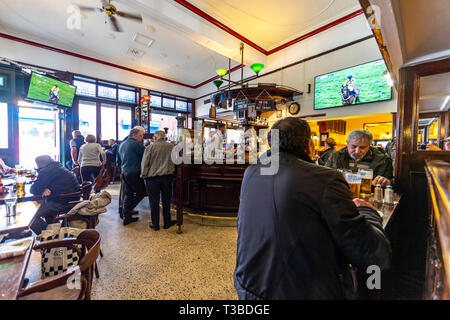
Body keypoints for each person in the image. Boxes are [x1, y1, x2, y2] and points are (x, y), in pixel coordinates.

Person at [234, 117, 391, 299]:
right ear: (309, 145)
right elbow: (374, 256)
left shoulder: (251, 171)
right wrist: (368, 211)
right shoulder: (326, 178)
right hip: (298, 292)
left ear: (271, 144)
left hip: (246, 285)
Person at [29, 155, 80, 235]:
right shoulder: (57, 166)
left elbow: (34, 189)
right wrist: (48, 188)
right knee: (43, 206)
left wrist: (47, 189)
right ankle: (51, 228)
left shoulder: (46, 170)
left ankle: (50, 236)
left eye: (38, 168)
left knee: (31, 216)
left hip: (64, 202)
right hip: (72, 199)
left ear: (39, 165)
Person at [325, 129, 393, 187]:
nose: (357, 151)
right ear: (347, 143)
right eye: (354, 146)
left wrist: (386, 181)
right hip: (341, 195)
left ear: (369, 146)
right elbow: (324, 175)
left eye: (362, 147)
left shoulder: (381, 159)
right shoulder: (336, 156)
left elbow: (392, 182)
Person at [141, 130, 176, 231]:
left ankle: (155, 224)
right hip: (167, 177)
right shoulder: (171, 147)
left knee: (154, 202)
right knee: (166, 201)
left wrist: (143, 175)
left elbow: (145, 163)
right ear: (164, 137)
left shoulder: (150, 147)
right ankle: (167, 222)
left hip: (152, 178)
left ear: (155, 138)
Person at [117, 126, 146, 225]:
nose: (141, 138)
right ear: (134, 135)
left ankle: (127, 217)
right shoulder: (137, 144)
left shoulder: (122, 144)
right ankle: (125, 210)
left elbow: (119, 160)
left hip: (124, 172)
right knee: (141, 193)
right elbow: (147, 157)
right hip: (135, 172)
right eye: (140, 135)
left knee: (129, 194)